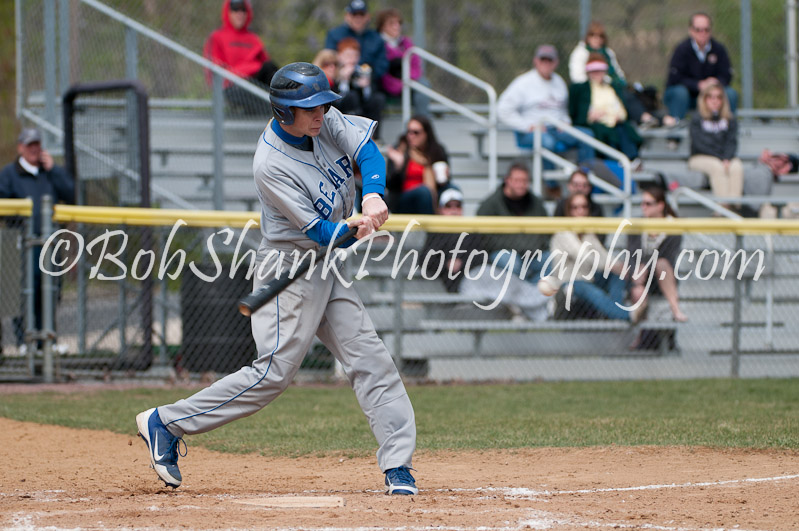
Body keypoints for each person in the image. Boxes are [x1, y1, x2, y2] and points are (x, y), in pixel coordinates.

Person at [135, 63, 418, 496]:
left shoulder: (324, 120)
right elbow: (325, 234)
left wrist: (374, 192)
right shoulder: (270, 164)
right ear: (284, 112)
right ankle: (166, 422)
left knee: (370, 357)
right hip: (290, 268)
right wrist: (354, 228)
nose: (320, 114)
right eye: (309, 109)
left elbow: (367, 152)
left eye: (322, 105)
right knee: (272, 373)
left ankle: (397, 465)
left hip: (324, 265)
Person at [0, 128, 74, 352]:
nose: (34, 149)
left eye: (37, 145)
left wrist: (55, 171)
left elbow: (71, 194)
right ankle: (25, 341)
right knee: (23, 293)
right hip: (19, 242)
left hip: (49, 243)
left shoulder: (50, 172)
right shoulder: (9, 174)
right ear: (20, 148)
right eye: (29, 145)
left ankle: (47, 340)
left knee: (50, 291)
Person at [546, 193, 640, 322]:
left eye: (584, 207)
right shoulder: (563, 234)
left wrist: (619, 266)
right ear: (569, 211)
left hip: (589, 279)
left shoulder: (587, 234)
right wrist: (611, 266)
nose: (581, 211)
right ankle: (627, 316)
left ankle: (614, 313)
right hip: (569, 284)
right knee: (588, 288)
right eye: (575, 207)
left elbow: (602, 254)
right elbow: (584, 256)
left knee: (618, 274)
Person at [497, 44, 596, 164]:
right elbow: (503, 109)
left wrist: (565, 122)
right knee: (547, 142)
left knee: (587, 135)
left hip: (556, 129)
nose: (546, 63)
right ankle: (550, 183)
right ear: (536, 61)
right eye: (543, 59)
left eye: (550, 60)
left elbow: (562, 110)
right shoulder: (523, 83)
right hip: (531, 132)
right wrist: (528, 126)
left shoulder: (559, 82)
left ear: (556, 63)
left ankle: (584, 175)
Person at [476, 162, 550, 283]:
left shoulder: (535, 202)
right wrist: (517, 246)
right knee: (510, 262)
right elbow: (484, 237)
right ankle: (518, 298)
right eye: (517, 180)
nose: (521, 184)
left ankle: (531, 294)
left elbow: (547, 231)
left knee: (552, 260)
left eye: (524, 181)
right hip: (504, 253)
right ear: (508, 180)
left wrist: (538, 247)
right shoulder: (491, 204)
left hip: (532, 255)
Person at [204, 0, 279, 115]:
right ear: (227, 12)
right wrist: (247, 69)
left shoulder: (253, 38)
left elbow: (266, 63)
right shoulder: (217, 37)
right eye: (235, 10)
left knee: (273, 71)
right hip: (234, 86)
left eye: (243, 10)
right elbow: (214, 69)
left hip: (255, 81)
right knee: (266, 109)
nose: (240, 14)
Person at [626, 186, 688, 323]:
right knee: (638, 291)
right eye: (642, 203)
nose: (643, 207)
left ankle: (675, 309)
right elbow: (632, 254)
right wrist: (638, 270)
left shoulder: (673, 228)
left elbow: (667, 257)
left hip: (662, 276)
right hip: (640, 276)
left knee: (662, 264)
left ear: (660, 206)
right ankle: (641, 335)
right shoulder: (636, 226)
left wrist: (645, 265)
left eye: (648, 204)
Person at [664, 12, 738, 122]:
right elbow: (675, 78)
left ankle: (725, 130)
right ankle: (675, 135)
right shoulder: (682, 50)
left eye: (706, 30)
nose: (702, 33)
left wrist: (714, 83)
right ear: (691, 30)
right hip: (689, 95)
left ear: (711, 30)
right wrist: (698, 85)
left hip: (712, 95)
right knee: (680, 93)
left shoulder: (719, 49)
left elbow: (727, 75)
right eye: (698, 29)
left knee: (730, 93)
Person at [568, 53, 642, 162]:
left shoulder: (612, 88)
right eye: (594, 71)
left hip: (616, 123)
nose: (597, 74)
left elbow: (621, 108)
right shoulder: (581, 89)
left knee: (622, 129)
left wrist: (617, 116)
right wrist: (590, 116)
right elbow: (576, 113)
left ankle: (632, 159)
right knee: (605, 132)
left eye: (600, 71)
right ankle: (615, 162)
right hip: (597, 125)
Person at [687, 82, 743, 204]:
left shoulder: (730, 119)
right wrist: (722, 158)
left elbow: (731, 142)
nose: (715, 101)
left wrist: (727, 158)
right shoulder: (696, 119)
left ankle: (734, 206)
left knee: (736, 166)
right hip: (700, 157)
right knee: (716, 167)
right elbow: (700, 144)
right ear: (704, 99)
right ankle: (723, 208)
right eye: (711, 97)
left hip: (724, 158)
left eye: (718, 97)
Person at [385, 115, 449, 214]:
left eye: (416, 132)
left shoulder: (437, 151)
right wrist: (398, 167)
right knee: (424, 192)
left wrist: (444, 179)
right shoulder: (400, 150)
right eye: (409, 132)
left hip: (431, 198)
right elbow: (390, 186)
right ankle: (431, 228)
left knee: (454, 190)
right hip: (403, 199)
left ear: (426, 133)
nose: (411, 136)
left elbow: (444, 184)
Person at [375, 7, 430, 116]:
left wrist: (407, 80)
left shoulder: (406, 42)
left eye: (398, 23)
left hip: (408, 82)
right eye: (392, 23)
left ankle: (422, 123)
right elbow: (382, 73)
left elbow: (416, 66)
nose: (397, 27)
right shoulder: (377, 43)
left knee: (423, 84)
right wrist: (400, 85)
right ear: (382, 26)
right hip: (388, 87)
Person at [324, 0, 388, 86]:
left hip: (369, 83)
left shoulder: (376, 38)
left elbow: (382, 64)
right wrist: (340, 72)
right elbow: (328, 60)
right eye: (354, 14)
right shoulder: (334, 34)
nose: (358, 18)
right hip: (340, 81)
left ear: (368, 16)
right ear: (347, 16)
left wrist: (369, 76)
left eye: (361, 14)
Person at [332, 37, 386, 136]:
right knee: (352, 96)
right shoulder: (335, 72)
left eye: (355, 56)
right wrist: (344, 80)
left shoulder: (363, 71)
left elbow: (368, 96)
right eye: (348, 55)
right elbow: (338, 95)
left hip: (361, 107)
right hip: (343, 108)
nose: (351, 59)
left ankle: (374, 135)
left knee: (379, 98)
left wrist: (366, 87)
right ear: (339, 56)